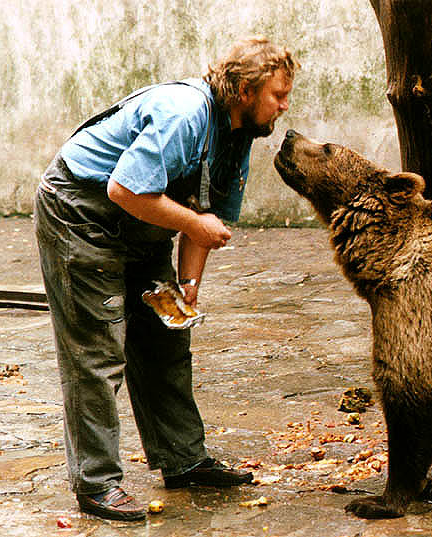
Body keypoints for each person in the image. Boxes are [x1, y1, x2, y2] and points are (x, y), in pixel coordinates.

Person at [34, 36, 299, 522]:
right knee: (98, 350)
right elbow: (125, 187)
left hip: (141, 218)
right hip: (82, 213)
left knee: (165, 335)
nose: (285, 105)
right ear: (244, 89)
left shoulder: (238, 133)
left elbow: (204, 213)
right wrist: (193, 224)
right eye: (278, 95)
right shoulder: (185, 114)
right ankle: (96, 485)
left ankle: (183, 460)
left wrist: (188, 287)